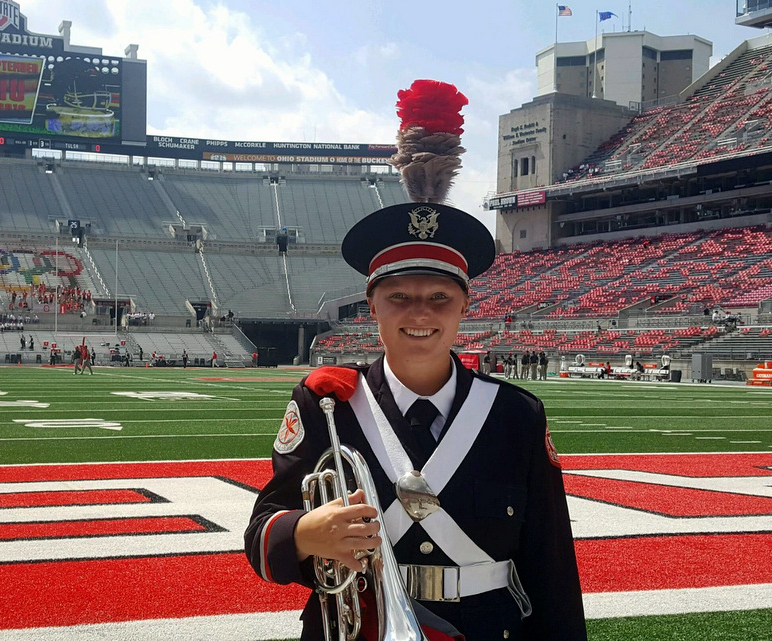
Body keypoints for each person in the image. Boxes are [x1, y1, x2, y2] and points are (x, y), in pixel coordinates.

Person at [246, 80, 585, 641]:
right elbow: (260, 531)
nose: (420, 312)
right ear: (372, 306)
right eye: (399, 296)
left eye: (440, 297)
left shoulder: (516, 414)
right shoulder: (326, 403)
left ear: (465, 306)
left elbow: (551, 565)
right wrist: (304, 532)